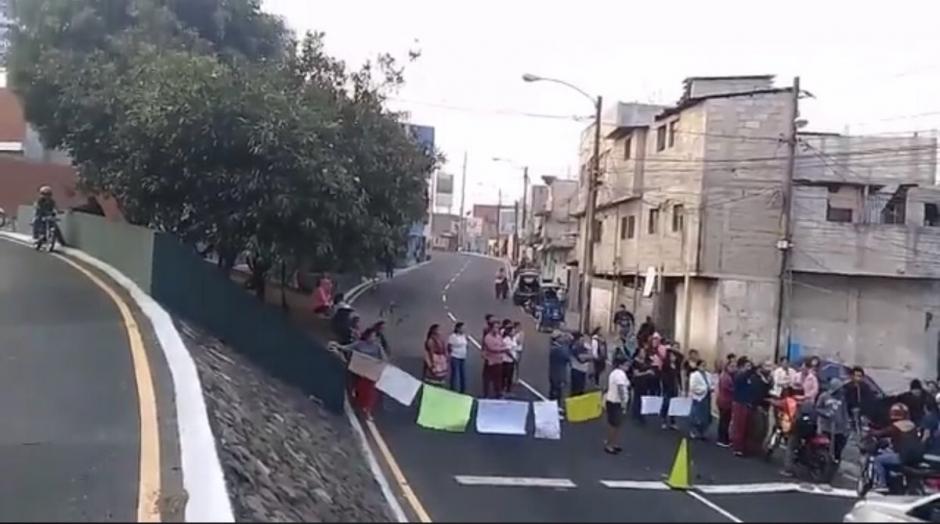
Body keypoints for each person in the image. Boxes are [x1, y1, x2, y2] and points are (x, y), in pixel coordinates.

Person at [869, 403, 924, 490]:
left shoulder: (895, 427)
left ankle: (882, 484)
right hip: (917, 457)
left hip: (903, 457)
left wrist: (870, 431)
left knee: (878, 460)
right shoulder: (912, 425)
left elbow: (880, 433)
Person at [350, 328, 387, 419]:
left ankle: (367, 410)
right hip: (359, 371)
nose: (372, 338)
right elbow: (348, 347)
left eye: (374, 336)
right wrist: (337, 346)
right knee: (359, 390)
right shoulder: (360, 344)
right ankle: (357, 406)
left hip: (371, 372)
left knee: (370, 393)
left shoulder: (377, 347)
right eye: (371, 336)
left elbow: (384, 358)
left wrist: (378, 361)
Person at [816, 377, 850, 465]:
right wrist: (825, 413)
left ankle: (836, 462)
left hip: (839, 428)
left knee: (838, 446)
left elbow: (844, 412)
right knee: (826, 447)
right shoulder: (824, 396)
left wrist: (846, 424)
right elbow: (817, 408)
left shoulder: (842, 398)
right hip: (826, 427)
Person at [604, 356, 631, 454]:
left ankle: (614, 443)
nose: (628, 367)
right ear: (621, 365)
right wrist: (624, 402)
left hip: (613, 401)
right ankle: (609, 445)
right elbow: (620, 388)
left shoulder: (616, 373)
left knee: (616, 424)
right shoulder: (619, 374)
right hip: (615, 402)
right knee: (614, 425)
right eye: (626, 365)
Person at [731, 357, 754, 457]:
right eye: (747, 366)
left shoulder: (748, 377)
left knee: (745, 426)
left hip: (746, 403)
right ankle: (737, 447)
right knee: (739, 426)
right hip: (739, 403)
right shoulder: (739, 375)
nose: (748, 368)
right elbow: (744, 376)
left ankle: (743, 447)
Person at [845, 366, 876, 432]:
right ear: (851, 376)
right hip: (849, 414)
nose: (857, 378)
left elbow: (869, 400)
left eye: (859, 376)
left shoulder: (865, 387)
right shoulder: (847, 387)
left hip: (862, 414)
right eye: (855, 375)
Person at [630, 348, 656, 424]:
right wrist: (647, 372)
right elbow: (636, 374)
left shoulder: (646, 361)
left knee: (643, 398)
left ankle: (641, 413)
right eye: (642, 352)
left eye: (644, 352)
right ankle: (636, 414)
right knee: (637, 398)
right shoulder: (635, 362)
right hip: (638, 382)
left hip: (645, 382)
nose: (643, 354)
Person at [688, 359, 713, 440]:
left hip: (707, 397)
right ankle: (693, 430)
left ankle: (703, 432)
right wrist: (704, 389)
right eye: (702, 365)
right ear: (698, 366)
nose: (703, 367)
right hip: (698, 397)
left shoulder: (708, 375)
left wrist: (711, 388)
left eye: (705, 365)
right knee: (696, 414)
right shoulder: (694, 375)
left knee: (705, 416)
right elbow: (693, 387)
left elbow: (711, 384)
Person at [482, 324, 508, 398]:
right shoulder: (488, 338)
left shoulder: (499, 336)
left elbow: (503, 344)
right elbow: (492, 348)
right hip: (490, 362)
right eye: (495, 328)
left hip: (498, 361)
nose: (497, 329)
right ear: (491, 328)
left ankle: (498, 394)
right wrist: (502, 349)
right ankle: (486, 394)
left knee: (498, 379)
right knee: (487, 379)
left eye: (498, 328)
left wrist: (501, 348)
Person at [716, 357, 737, 447]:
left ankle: (725, 437)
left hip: (727, 401)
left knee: (726, 420)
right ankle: (722, 439)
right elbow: (729, 389)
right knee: (724, 420)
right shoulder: (725, 377)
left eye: (734, 366)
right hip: (724, 401)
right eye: (731, 366)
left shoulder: (729, 376)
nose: (734, 368)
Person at [660, 350, 682, 430]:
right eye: (672, 356)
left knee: (674, 404)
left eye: (674, 356)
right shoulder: (666, 365)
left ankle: (673, 421)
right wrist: (665, 385)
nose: (674, 357)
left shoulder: (676, 365)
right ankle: (663, 420)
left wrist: (680, 386)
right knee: (666, 403)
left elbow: (678, 376)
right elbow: (663, 376)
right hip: (667, 386)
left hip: (674, 386)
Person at [549, 330, 571, 404]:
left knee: (556, 392)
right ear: (557, 338)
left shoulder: (556, 347)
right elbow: (567, 356)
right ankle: (554, 408)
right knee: (556, 393)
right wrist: (567, 344)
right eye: (561, 337)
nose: (563, 339)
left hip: (555, 374)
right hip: (557, 375)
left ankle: (555, 407)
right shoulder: (557, 349)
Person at [447, 322, 468, 393]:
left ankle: (463, 390)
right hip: (455, 356)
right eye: (462, 328)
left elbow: (465, 345)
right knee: (455, 374)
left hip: (462, 357)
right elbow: (449, 346)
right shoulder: (453, 336)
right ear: (458, 328)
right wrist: (450, 355)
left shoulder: (463, 336)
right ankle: (453, 389)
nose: (463, 329)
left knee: (463, 374)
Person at [569, 332, 591, 396]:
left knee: (581, 389)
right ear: (577, 340)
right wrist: (589, 356)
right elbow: (581, 359)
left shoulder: (583, 347)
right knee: (576, 390)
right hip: (577, 370)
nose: (583, 341)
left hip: (582, 371)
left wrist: (588, 353)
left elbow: (592, 355)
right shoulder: (575, 347)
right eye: (582, 340)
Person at [501, 324, 518, 395]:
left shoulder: (513, 339)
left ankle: (508, 390)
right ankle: (502, 390)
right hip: (506, 360)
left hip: (512, 360)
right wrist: (513, 358)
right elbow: (507, 350)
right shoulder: (506, 340)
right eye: (513, 331)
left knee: (510, 376)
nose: (514, 333)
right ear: (509, 332)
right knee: (505, 376)